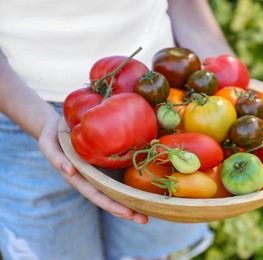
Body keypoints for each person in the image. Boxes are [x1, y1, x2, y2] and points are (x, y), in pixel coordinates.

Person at [0, 0, 235, 259]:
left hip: (165, 107)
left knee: (151, 253)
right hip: (24, 113)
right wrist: (42, 124)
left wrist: (227, 78)